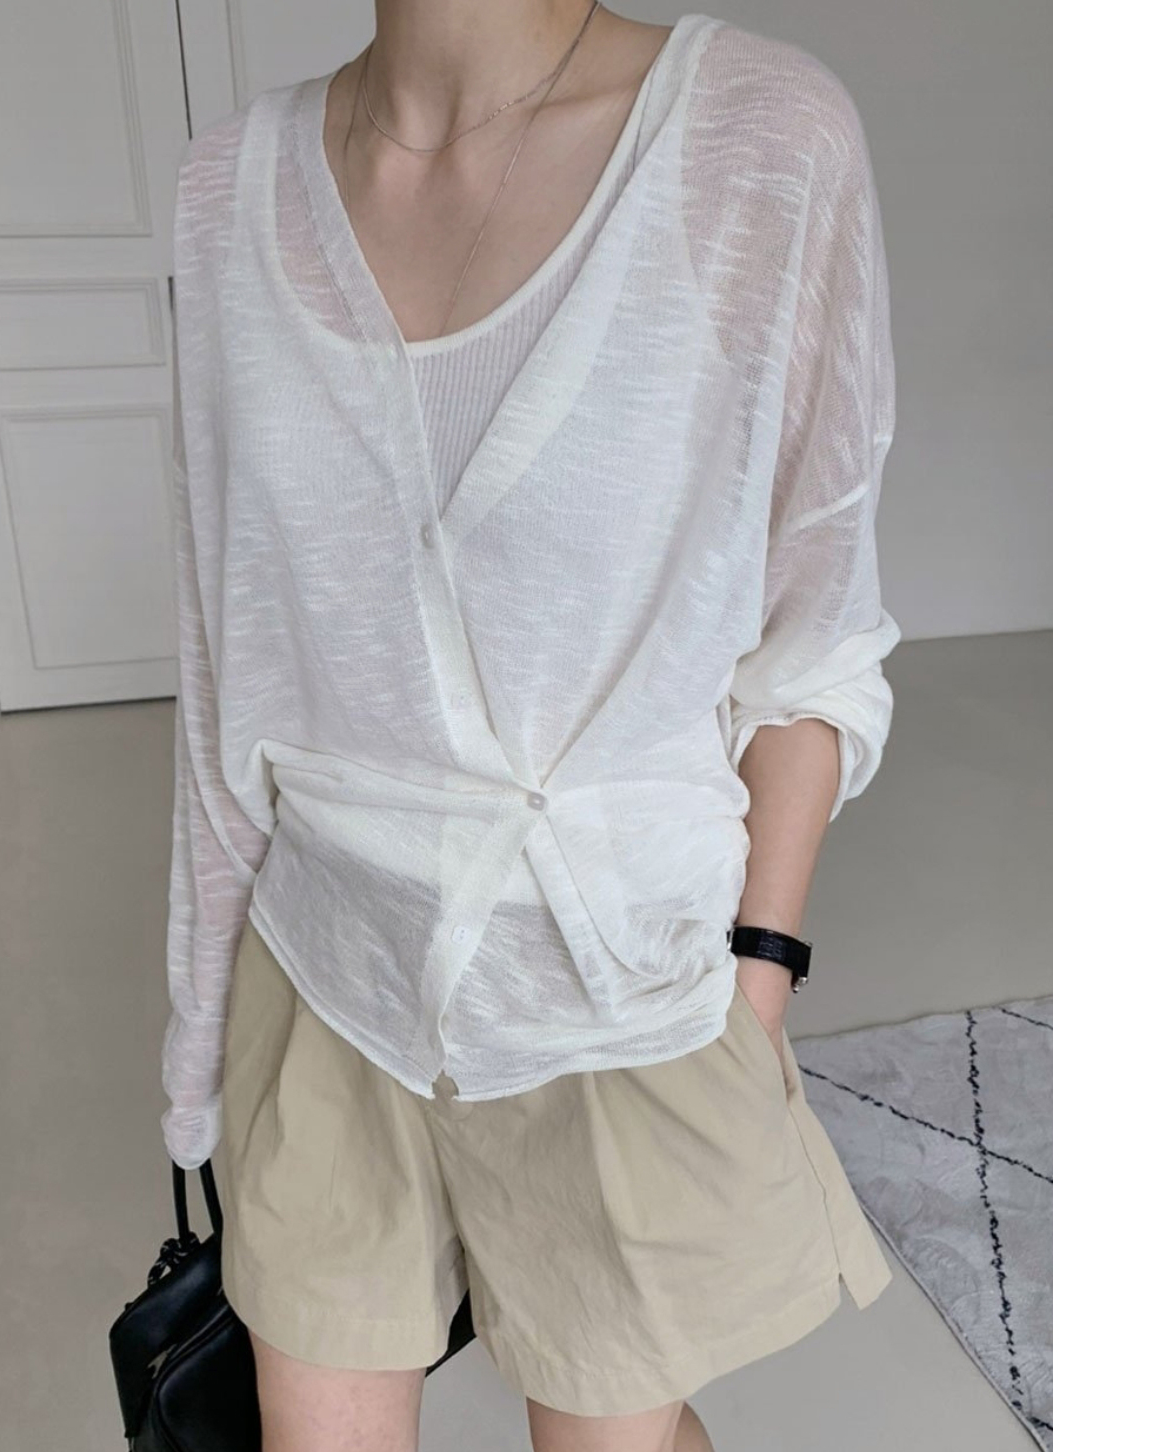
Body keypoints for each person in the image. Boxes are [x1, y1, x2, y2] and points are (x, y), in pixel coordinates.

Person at [161, 2, 901, 1448]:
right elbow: (220, 667)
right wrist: (196, 1070)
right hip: (321, 978)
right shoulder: (225, 186)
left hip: (623, 996)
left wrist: (756, 980)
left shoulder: (758, 138)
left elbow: (815, 642)